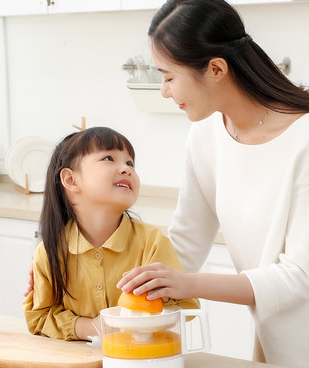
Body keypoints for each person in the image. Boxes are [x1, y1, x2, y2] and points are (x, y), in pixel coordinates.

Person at [116, 0, 309, 368]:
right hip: (274, 337)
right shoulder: (206, 133)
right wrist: (90, 277)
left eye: (169, 76)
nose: (164, 90)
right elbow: (186, 242)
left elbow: (299, 277)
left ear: (217, 69)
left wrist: (187, 284)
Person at [22, 127, 199, 341]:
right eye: (108, 158)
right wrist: (93, 327)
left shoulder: (152, 242)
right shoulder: (50, 252)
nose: (126, 169)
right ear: (70, 180)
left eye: (130, 163)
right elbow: (38, 318)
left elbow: (187, 309)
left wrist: (162, 298)